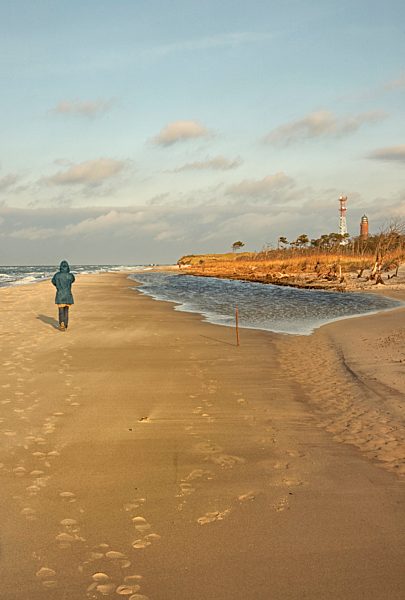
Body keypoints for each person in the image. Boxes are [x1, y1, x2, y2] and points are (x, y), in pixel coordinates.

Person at [51, 260, 75, 331]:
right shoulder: (70, 275)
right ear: (67, 267)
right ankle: (66, 324)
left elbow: (53, 282)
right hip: (68, 294)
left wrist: (58, 286)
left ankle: (62, 324)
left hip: (60, 294)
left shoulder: (57, 275)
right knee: (66, 311)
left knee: (61, 311)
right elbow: (73, 280)